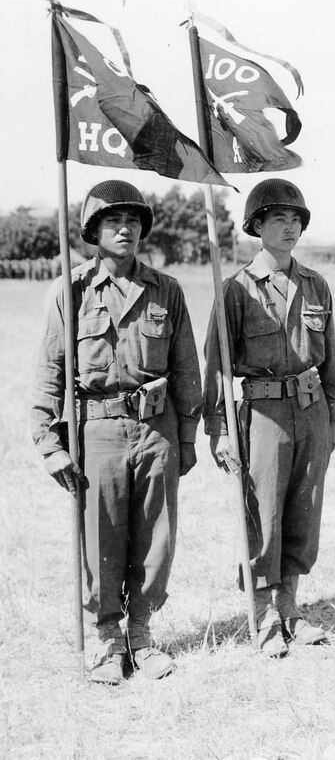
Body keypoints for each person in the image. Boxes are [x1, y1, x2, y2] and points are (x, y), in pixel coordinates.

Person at [31, 180, 202, 685]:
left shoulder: (166, 290)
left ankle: (143, 635)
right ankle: (108, 639)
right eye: (112, 222)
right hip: (97, 429)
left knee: (157, 536)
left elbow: (187, 367)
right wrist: (49, 444)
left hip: (156, 429)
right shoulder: (72, 290)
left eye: (132, 221)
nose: (124, 229)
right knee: (100, 536)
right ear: (94, 232)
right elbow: (50, 371)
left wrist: (187, 436)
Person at [203, 178, 335, 658]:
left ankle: (291, 607)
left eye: (296, 219)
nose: (290, 227)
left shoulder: (315, 284)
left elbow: (331, 362)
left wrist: (333, 416)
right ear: (257, 225)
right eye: (279, 218)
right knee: (263, 511)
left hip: (312, 409)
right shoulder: (237, 289)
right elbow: (216, 369)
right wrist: (220, 430)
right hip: (263, 411)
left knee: (305, 507)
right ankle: (262, 616)